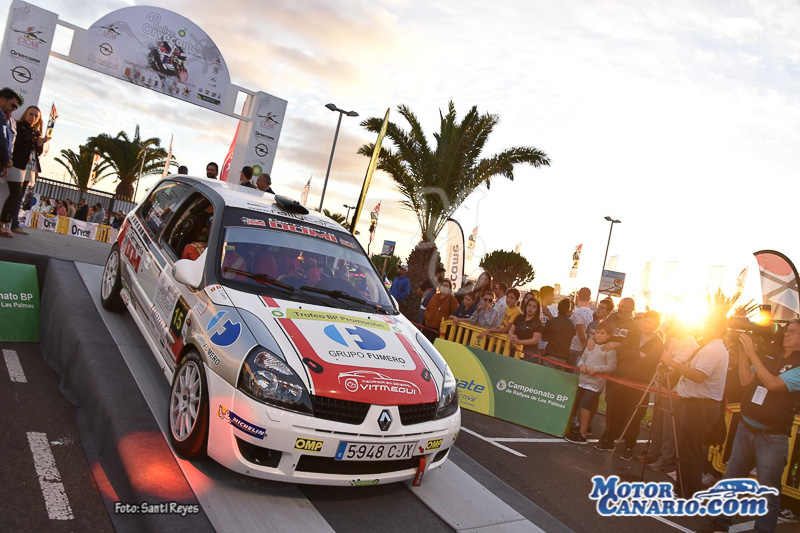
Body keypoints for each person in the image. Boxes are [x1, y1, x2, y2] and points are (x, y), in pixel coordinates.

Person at [697, 320, 800, 533]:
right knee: (731, 480)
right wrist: (744, 352)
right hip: (746, 428)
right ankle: (720, 522)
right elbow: (746, 380)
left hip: (772, 437)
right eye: (786, 330)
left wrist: (752, 353)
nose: (786, 334)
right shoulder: (772, 355)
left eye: (792, 331)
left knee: (768, 492)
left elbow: (773, 384)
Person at [661, 313, 729, 498]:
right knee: (686, 450)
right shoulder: (710, 347)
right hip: (696, 405)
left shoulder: (712, 350)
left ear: (716, 327)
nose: (703, 326)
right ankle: (682, 488)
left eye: (707, 323)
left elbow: (699, 376)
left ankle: (689, 492)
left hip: (699, 406)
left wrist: (673, 363)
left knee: (690, 452)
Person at [594, 297, 643, 452]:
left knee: (613, 403)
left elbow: (634, 351)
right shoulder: (612, 319)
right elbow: (601, 331)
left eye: (625, 307)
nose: (621, 309)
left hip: (621, 370)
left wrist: (618, 345)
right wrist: (592, 339)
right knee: (596, 395)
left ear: (632, 309)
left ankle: (609, 434)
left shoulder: (635, 328)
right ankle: (600, 430)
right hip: (602, 362)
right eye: (620, 306)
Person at [617, 310, 664, 460]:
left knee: (635, 416)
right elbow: (621, 352)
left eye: (649, 322)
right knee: (618, 409)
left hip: (641, 384)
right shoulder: (634, 335)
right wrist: (637, 354)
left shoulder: (658, 342)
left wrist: (633, 356)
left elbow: (650, 362)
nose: (645, 324)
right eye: (644, 321)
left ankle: (629, 446)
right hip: (624, 378)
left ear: (656, 325)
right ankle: (611, 438)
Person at [565, 322, 618, 444]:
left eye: (602, 333)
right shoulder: (591, 345)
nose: (599, 335)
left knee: (585, 405)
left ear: (608, 336)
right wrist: (581, 365)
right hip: (583, 380)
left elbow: (612, 366)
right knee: (580, 404)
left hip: (595, 383)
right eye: (597, 332)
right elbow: (582, 359)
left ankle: (582, 434)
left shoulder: (610, 350)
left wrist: (596, 369)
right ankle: (581, 428)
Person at [2, 103, 48, 237]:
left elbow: (37, 151)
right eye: (31, 114)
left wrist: (40, 143)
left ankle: (11, 223)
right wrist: (35, 143)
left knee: (19, 196)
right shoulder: (19, 126)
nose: (33, 117)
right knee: (15, 195)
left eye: (36, 116)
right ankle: (5, 223)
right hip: (17, 163)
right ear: (26, 114)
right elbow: (19, 146)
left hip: (29, 167)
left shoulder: (35, 131)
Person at [542, 298, 576, 369]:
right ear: (569, 310)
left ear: (558, 308)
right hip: (563, 358)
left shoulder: (551, 322)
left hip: (550, 355)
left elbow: (544, 338)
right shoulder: (571, 325)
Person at [569, 287, 594, 366]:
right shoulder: (590, 313)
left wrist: (584, 345)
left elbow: (581, 332)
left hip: (575, 348)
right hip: (583, 348)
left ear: (578, 296)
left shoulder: (578, 313)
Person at [0, 88, 21, 179]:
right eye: (13, 105)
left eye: (16, 107)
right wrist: (5, 160)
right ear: (2, 100)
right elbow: (1, 139)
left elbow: (8, 142)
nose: (14, 109)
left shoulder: (9, 121)